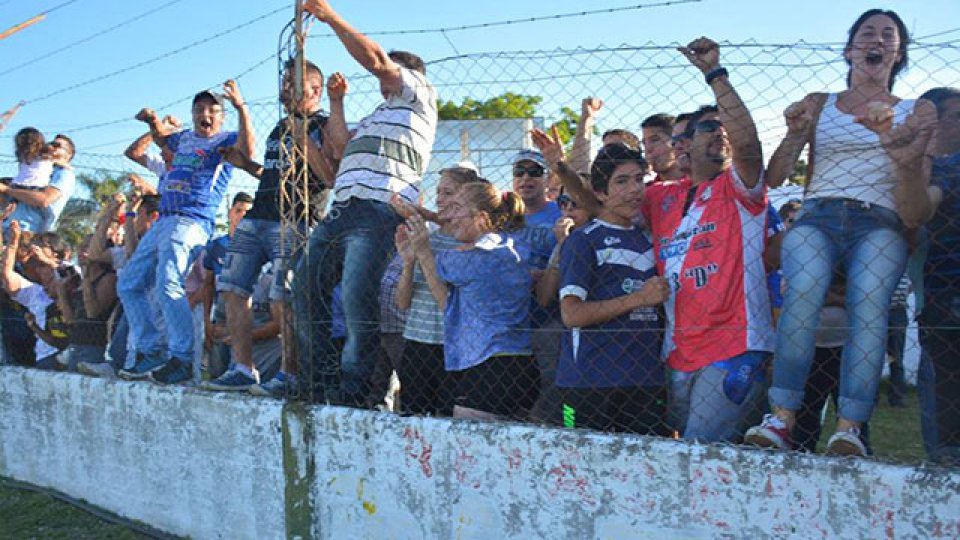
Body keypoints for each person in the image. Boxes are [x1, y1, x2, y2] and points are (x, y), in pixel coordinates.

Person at [747, 9, 936, 456]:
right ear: (850, 49)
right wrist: (795, 135)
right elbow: (774, 176)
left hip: (881, 219)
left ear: (898, 52)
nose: (877, 40)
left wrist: (898, 147)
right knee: (804, 292)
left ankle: (849, 427)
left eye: (888, 35)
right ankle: (782, 418)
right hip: (819, 214)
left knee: (869, 311)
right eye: (866, 33)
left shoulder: (917, 110)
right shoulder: (820, 102)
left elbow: (915, 209)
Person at [296, 0, 438, 405]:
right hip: (342, 208)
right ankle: (317, 382)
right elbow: (339, 148)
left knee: (358, 299)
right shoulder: (377, 114)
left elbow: (376, 59)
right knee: (305, 287)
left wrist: (330, 16)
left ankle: (356, 392)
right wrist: (337, 103)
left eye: (390, 73)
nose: (381, 79)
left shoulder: (420, 96)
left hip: (380, 206)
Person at [642, 38, 771, 442]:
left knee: (700, 455)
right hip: (677, 352)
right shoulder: (661, 196)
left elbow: (748, 144)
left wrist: (714, 74)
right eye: (710, 128)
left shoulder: (740, 189)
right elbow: (603, 201)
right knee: (678, 454)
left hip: (734, 348)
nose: (723, 135)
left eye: (724, 127)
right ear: (685, 144)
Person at [217, 60, 347, 394]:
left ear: (315, 90)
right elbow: (276, 173)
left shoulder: (323, 124)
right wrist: (246, 165)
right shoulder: (280, 125)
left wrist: (306, 140)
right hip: (259, 213)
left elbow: (330, 178)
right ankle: (243, 368)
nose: (285, 87)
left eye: (294, 82)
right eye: (285, 80)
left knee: (283, 296)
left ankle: (289, 375)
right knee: (232, 287)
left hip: (296, 219)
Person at [117, 81, 254, 385]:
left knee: (169, 281)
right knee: (128, 283)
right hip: (165, 218)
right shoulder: (184, 139)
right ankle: (150, 349)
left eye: (212, 110)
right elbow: (161, 141)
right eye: (199, 109)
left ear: (221, 117)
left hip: (192, 220)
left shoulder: (224, 139)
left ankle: (181, 355)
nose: (205, 114)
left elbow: (248, 150)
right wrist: (154, 121)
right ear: (192, 114)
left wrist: (241, 108)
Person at [556, 144, 670, 434]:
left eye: (639, 179)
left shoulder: (652, 239)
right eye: (622, 181)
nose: (634, 189)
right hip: (588, 381)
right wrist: (638, 299)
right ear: (600, 192)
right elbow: (572, 315)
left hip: (646, 380)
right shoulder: (583, 241)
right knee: (583, 470)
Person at [402, 182, 537, 420]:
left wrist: (421, 248)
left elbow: (436, 269)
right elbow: (449, 306)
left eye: (457, 208)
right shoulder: (510, 246)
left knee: (468, 450)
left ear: (481, 217)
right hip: (519, 363)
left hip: (490, 369)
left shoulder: (472, 260)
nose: (450, 216)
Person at [894, 86, 960, 464]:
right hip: (942, 297)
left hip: (944, 298)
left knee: (945, 402)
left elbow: (917, 213)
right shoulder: (936, 167)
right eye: (956, 117)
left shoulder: (946, 167)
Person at [392, 167, 476, 416]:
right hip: (417, 343)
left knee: (447, 420)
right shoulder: (425, 238)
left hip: (452, 347)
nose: (439, 199)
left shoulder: (471, 243)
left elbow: (454, 303)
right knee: (413, 420)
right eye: (438, 192)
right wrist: (408, 262)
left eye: (448, 193)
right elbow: (402, 303)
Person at [0, 221, 69, 370]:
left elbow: (69, 276)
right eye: (38, 266)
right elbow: (7, 276)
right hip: (46, 359)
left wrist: (48, 261)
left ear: (56, 254)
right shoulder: (35, 292)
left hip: (72, 356)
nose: (39, 270)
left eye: (42, 265)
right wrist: (13, 244)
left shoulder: (73, 275)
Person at [2, 133, 76, 234]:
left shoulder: (64, 173)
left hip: (28, 232)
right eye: (51, 144)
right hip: (8, 228)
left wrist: (7, 190)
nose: (52, 147)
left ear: (69, 154)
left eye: (57, 146)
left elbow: (44, 199)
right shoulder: (41, 168)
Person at [641, 113, 685, 184]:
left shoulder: (700, 184)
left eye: (655, 140)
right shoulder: (646, 191)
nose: (648, 149)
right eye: (644, 143)